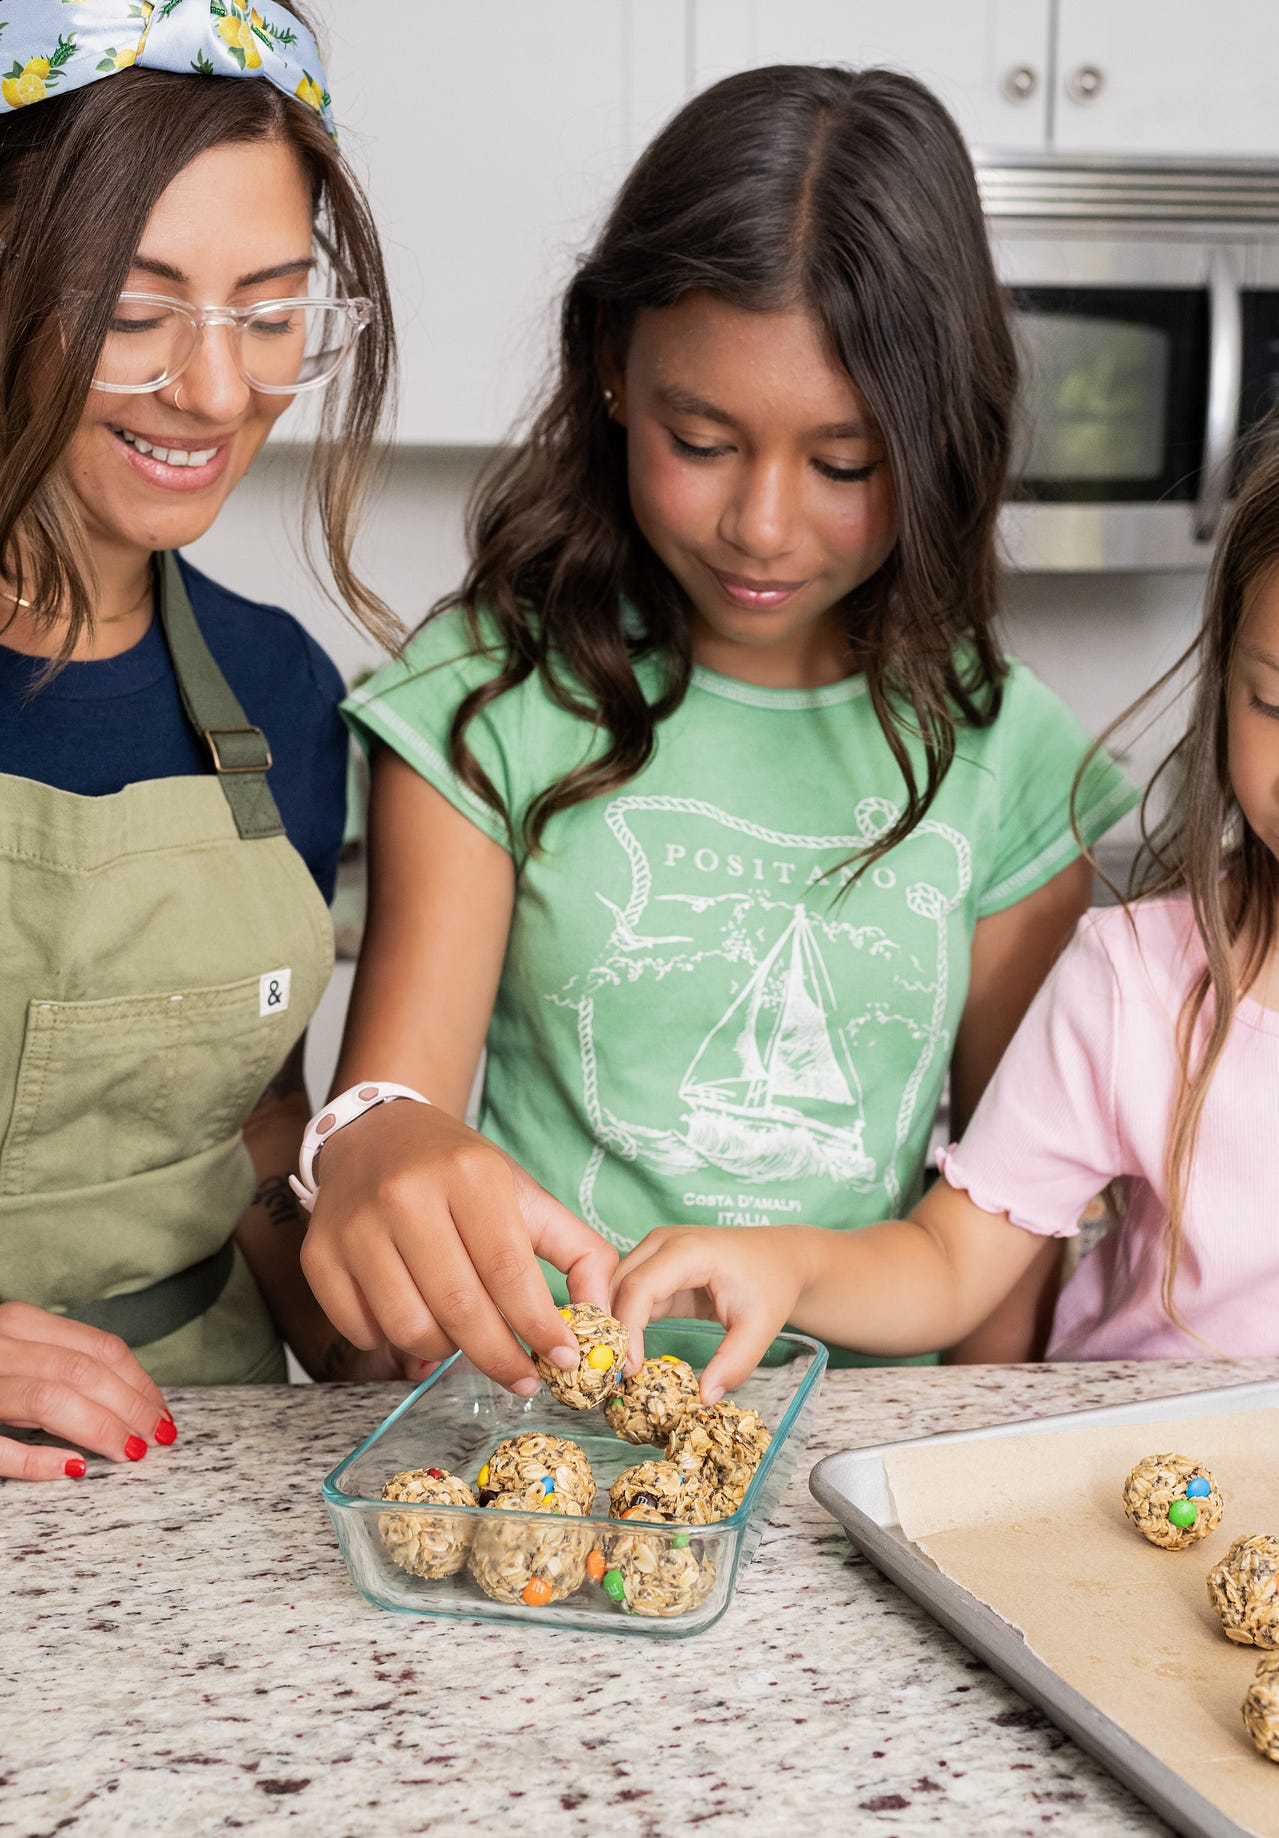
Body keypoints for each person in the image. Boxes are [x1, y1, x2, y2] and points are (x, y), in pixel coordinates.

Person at [300, 64, 1136, 1391]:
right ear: (614, 373)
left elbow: (1006, 1223)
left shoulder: (1015, 760)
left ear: (938, 443)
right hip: (537, 1424)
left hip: (858, 1451)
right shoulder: (489, 703)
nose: (762, 525)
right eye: (702, 439)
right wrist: (370, 1168)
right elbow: (385, 1125)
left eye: (848, 465)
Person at [607, 357, 1279, 1398]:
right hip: (1136, 1486)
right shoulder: (1135, 978)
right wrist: (782, 1263)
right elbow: (952, 1262)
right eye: (1274, 702)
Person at [0, 0, 402, 1484]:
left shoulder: (280, 692)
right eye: (134, 309)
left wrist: (385, 1321)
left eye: (269, 308)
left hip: (205, 1467)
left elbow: (245, 1141)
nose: (219, 390)